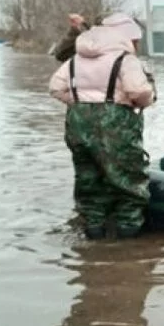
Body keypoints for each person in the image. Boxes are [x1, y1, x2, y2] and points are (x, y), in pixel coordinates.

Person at [48, 12, 156, 240]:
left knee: (89, 179)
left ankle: (94, 237)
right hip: (116, 123)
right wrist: (140, 102)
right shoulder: (126, 60)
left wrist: (81, 103)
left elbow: (55, 88)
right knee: (129, 180)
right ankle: (129, 243)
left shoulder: (76, 59)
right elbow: (140, 91)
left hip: (78, 122)